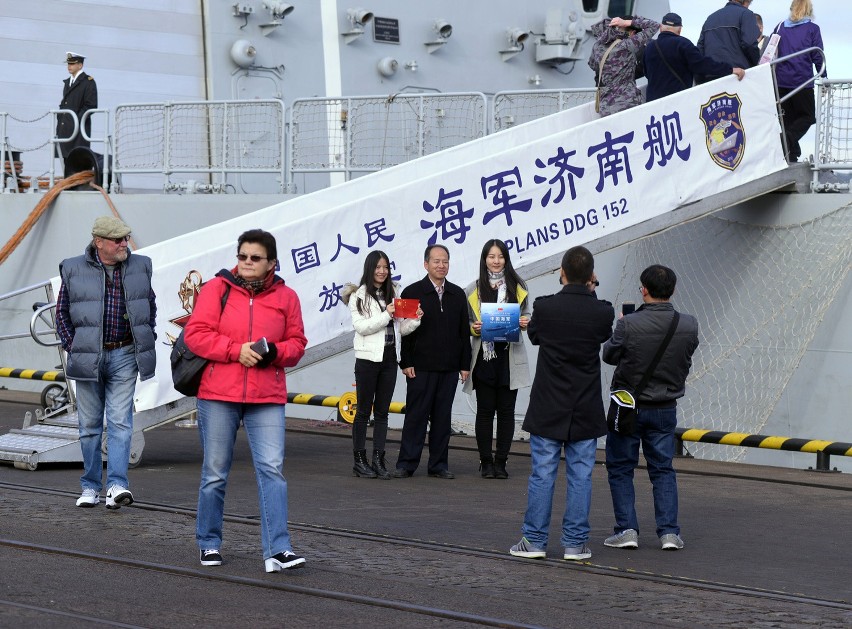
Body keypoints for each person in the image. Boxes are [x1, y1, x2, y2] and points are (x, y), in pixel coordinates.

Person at [183, 229, 308, 572]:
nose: (247, 263)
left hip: (266, 395)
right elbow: (196, 335)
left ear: (272, 263)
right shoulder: (216, 289)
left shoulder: (287, 297)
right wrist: (235, 351)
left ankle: (278, 549)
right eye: (242, 256)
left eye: (255, 258)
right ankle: (208, 543)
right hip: (218, 394)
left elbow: (297, 344)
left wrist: (272, 353)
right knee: (214, 472)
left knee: (272, 470)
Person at [509, 246, 614, 561]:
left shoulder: (545, 307)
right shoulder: (602, 311)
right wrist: (590, 293)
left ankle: (534, 541)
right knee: (581, 474)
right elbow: (601, 330)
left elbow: (536, 337)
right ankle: (575, 543)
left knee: (543, 472)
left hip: (548, 402)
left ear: (562, 273)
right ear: (591, 277)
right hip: (584, 404)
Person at [56, 216, 157, 510]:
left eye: (125, 238)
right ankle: (90, 487)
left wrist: (146, 335)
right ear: (99, 242)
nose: (125, 244)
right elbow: (62, 313)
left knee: (120, 422)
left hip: (125, 355)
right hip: (88, 356)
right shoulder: (73, 268)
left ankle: (117, 485)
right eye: (118, 240)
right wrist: (72, 345)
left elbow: (149, 305)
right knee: (89, 426)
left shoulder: (141, 266)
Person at [602, 265, 699, 551]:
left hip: (628, 406)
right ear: (673, 290)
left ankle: (627, 529)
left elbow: (609, 355)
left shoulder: (629, 324)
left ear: (644, 289)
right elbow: (686, 356)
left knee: (620, 467)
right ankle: (669, 533)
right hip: (665, 406)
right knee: (663, 469)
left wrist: (623, 324)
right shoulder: (689, 323)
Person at [392, 244, 471, 479]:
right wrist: (405, 362)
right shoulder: (411, 292)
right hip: (420, 367)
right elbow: (404, 331)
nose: (441, 265)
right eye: (436, 261)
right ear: (426, 264)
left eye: (445, 261)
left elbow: (462, 333)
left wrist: (464, 364)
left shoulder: (457, 294)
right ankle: (406, 463)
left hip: (448, 367)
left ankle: (438, 465)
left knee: (442, 418)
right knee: (416, 415)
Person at [341, 251, 422, 479]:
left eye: (385, 267)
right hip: (367, 359)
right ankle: (359, 460)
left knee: (383, 412)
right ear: (369, 268)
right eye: (378, 267)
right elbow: (362, 327)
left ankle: (378, 459)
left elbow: (399, 330)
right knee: (363, 412)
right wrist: (387, 314)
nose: (382, 271)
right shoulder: (358, 295)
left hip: (389, 358)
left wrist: (415, 319)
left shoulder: (393, 293)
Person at [464, 239, 531, 479]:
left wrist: (526, 321)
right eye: (491, 256)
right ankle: (486, 461)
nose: (496, 261)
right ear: (484, 260)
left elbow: (526, 314)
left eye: (500, 256)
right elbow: (465, 324)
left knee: (506, 412)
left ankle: (501, 461)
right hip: (484, 357)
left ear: (506, 259)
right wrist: (475, 327)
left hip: (508, 358)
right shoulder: (473, 289)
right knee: (484, 412)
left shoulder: (518, 286)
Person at [644, 12, 745, 102]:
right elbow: (702, 65)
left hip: (654, 104)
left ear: (661, 27)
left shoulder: (649, 48)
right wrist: (729, 69)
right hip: (677, 101)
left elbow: (646, 73)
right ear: (679, 29)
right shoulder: (683, 44)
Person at [771, 0, 826, 162]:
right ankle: (785, 140)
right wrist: (823, 76)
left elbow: (772, 50)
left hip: (780, 81)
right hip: (802, 82)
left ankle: (791, 155)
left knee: (787, 120)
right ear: (809, 10)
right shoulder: (812, 29)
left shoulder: (780, 27)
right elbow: (817, 55)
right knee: (808, 117)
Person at [588, 15, 660, 117]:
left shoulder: (597, 47)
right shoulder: (627, 45)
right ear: (629, 32)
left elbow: (593, 65)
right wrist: (627, 22)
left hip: (606, 106)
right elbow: (654, 26)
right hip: (628, 102)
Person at [696, 0, 761, 83]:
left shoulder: (710, 18)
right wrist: (757, 65)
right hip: (738, 77)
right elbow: (749, 44)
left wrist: (700, 79)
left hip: (711, 78)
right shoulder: (746, 14)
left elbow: (700, 50)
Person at [56, 51, 98, 160]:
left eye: (72, 64)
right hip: (65, 129)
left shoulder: (88, 82)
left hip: (78, 130)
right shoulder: (68, 82)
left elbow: (91, 105)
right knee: (66, 162)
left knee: (78, 162)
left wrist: (76, 120)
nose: (69, 66)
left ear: (80, 65)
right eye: (68, 64)